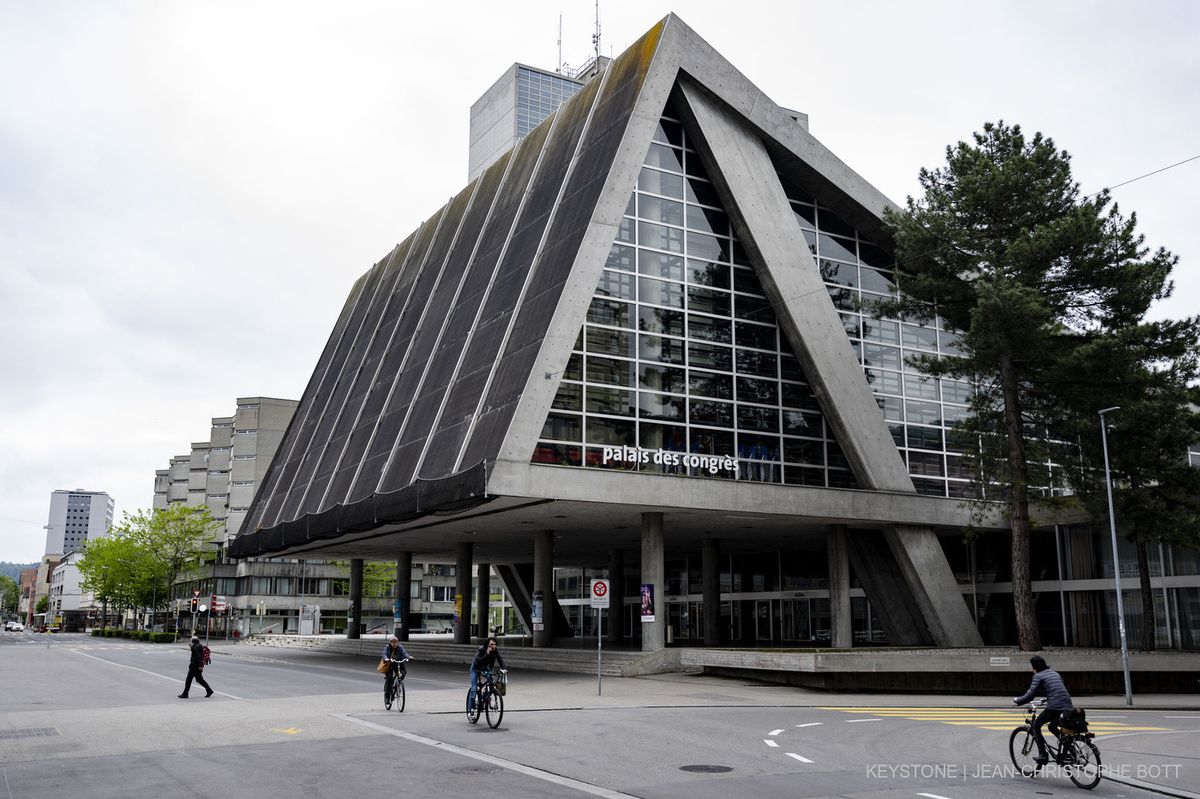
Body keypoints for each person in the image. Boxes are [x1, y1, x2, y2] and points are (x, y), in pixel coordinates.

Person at [1013, 655, 1073, 766]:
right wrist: (1047, 699)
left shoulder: (1038, 676)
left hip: (1055, 707)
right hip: (1068, 707)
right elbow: (1059, 690)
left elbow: (1030, 696)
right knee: (1052, 726)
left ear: (1034, 667)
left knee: (1036, 725)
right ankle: (1070, 748)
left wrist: (1018, 700)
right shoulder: (1055, 673)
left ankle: (1043, 755)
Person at [468, 636, 506, 710]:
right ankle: (471, 709)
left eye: (495, 644)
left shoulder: (495, 650)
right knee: (474, 689)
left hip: (485, 668)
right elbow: (478, 661)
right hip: (475, 669)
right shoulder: (482, 649)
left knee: (491, 682)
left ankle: (485, 697)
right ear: (487, 644)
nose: (493, 646)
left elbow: (500, 659)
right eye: (491, 644)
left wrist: (504, 669)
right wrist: (487, 654)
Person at [382, 635, 412, 701]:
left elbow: (404, 653)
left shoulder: (400, 647)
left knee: (403, 673)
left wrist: (408, 657)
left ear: (398, 642)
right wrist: (386, 658)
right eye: (393, 642)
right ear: (390, 643)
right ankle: (387, 697)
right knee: (390, 680)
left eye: (396, 642)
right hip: (389, 665)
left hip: (398, 663)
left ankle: (398, 685)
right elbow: (384, 654)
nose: (394, 644)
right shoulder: (387, 647)